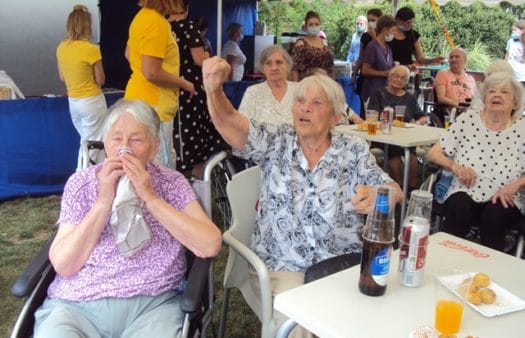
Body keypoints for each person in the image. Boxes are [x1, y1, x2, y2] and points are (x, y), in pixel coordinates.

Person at [202, 56, 402, 337]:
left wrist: (379, 195)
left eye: (316, 103)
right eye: (300, 101)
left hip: (342, 265)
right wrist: (214, 90)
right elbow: (231, 123)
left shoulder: (353, 149)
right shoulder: (276, 141)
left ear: (335, 116)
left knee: (379, 319)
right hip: (285, 268)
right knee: (304, 326)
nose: (304, 108)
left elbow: (394, 189)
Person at [33, 99, 221, 337]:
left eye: (135, 139)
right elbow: (64, 264)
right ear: (106, 144)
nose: (125, 148)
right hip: (78, 305)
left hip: (153, 303)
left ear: (154, 147)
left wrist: (151, 198)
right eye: (117, 139)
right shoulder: (81, 183)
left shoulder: (171, 183)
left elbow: (209, 243)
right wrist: (103, 202)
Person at [427, 72, 525, 252]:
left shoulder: (523, 128)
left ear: (516, 103)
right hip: (464, 189)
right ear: (484, 97)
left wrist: (516, 185)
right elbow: (433, 154)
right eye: (491, 91)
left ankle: (489, 271)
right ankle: (445, 260)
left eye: (504, 92)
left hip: (505, 194)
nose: (496, 95)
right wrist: (455, 167)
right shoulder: (467, 119)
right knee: (458, 208)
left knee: (495, 216)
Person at [124, 0, 195, 169]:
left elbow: (128, 53)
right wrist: (184, 83)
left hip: (137, 100)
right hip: (155, 105)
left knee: (139, 165)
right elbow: (151, 72)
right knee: (161, 168)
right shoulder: (157, 23)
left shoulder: (141, 17)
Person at [168, 0, 225, 177]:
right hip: (191, 88)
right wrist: (207, 55)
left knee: (176, 134)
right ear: (186, 8)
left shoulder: (164, 28)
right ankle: (196, 174)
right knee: (196, 133)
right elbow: (199, 59)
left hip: (171, 87)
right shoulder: (189, 27)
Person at [56, 5, 107, 169]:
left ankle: (92, 177)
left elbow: (61, 77)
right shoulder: (91, 49)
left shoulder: (61, 48)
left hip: (74, 101)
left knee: (86, 141)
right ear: (88, 25)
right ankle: (82, 177)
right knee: (93, 144)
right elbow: (101, 79)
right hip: (92, 101)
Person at [368, 65, 428, 189]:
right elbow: (371, 117)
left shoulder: (409, 97)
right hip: (383, 136)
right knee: (394, 151)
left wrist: (416, 124)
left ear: (406, 82)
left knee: (411, 155)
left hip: (404, 136)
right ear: (390, 77)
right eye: (396, 76)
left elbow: (423, 117)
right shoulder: (379, 93)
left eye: (403, 78)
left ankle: (411, 188)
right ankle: (399, 186)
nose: (399, 79)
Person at [238, 45, 298, 125]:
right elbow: (241, 124)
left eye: (279, 62)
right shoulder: (253, 92)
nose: (274, 67)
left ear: (288, 65)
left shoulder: (299, 89)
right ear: (263, 68)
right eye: (268, 63)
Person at [360, 15, 397, 105]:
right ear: (384, 30)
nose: (395, 34)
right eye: (393, 31)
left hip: (385, 92)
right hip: (372, 91)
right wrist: (384, 73)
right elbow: (365, 70)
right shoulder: (372, 46)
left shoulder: (388, 48)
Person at [354, 8, 383, 116]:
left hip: (379, 77)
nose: (371, 23)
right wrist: (355, 71)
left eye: (373, 20)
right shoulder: (365, 36)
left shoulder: (385, 37)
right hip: (365, 77)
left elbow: (381, 51)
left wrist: (374, 36)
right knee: (364, 108)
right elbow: (361, 56)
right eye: (369, 20)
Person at [434, 47, 477, 118]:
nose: (453, 59)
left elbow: (474, 99)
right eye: (451, 57)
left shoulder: (471, 79)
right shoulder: (442, 74)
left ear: (465, 60)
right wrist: (458, 105)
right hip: (451, 113)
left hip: (469, 113)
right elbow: (441, 98)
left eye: (457, 57)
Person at [291, 11, 334, 81]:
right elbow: (295, 69)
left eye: (316, 24)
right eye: (311, 25)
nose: (314, 27)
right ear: (305, 27)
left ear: (320, 26)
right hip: (308, 84)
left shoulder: (325, 41)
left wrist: (333, 83)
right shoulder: (301, 43)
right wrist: (296, 86)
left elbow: (331, 67)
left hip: (326, 83)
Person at [505, 19, 525, 85]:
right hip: (511, 76)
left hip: (523, 78)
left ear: (523, 30)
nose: (513, 32)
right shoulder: (510, 41)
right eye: (512, 30)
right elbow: (507, 56)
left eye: (515, 30)